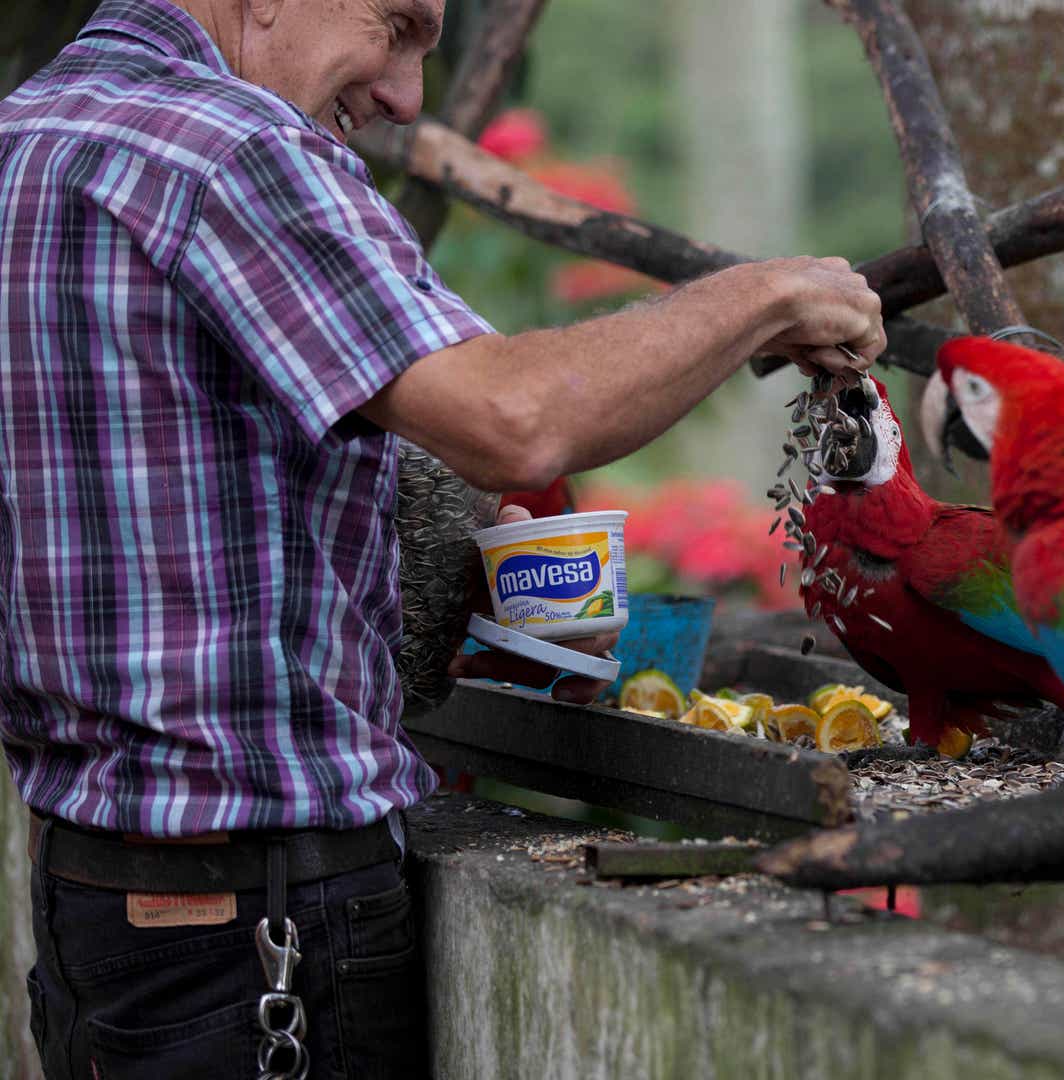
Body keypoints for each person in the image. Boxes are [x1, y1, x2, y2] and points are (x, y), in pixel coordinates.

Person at [0, 0, 884, 1075]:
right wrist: (767, 291)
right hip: (260, 932)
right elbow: (517, 421)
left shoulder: (29, 138)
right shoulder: (225, 148)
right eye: (398, 25)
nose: (406, 96)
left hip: (92, 908)